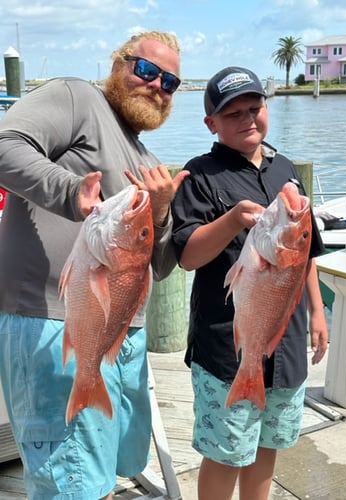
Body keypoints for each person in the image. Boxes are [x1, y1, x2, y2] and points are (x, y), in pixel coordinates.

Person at [0, 31, 188, 500]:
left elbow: (161, 266)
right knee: (74, 483)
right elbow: (5, 143)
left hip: (122, 336)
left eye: (170, 82)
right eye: (145, 69)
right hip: (52, 321)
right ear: (117, 63)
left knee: (110, 469)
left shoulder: (149, 162)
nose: (156, 85)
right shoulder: (77, 98)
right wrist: (70, 191)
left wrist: (161, 212)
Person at [171, 66, 328, 500]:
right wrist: (230, 220)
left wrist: (317, 311)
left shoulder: (287, 169)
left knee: (267, 447)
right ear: (212, 124)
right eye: (232, 113)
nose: (247, 119)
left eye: (255, 108)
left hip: (287, 340)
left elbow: (304, 253)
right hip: (227, 349)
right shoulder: (199, 175)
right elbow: (187, 256)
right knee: (226, 451)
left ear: (266, 109)